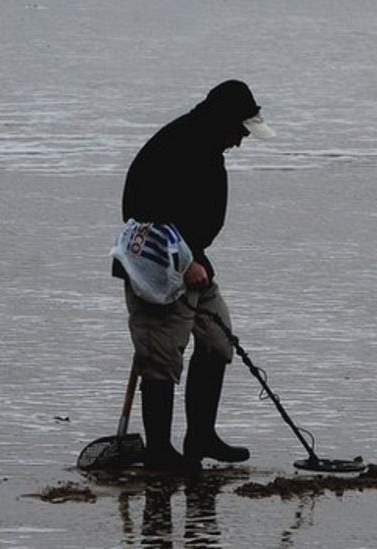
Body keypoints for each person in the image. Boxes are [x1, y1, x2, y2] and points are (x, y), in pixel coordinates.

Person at [113, 80, 275, 471]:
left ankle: (200, 436)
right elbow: (144, 213)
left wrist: (196, 260)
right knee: (161, 359)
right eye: (240, 131)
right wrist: (185, 263)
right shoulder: (177, 146)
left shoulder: (209, 145)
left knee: (218, 343)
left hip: (194, 264)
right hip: (156, 273)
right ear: (224, 121)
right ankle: (160, 453)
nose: (240, 141)